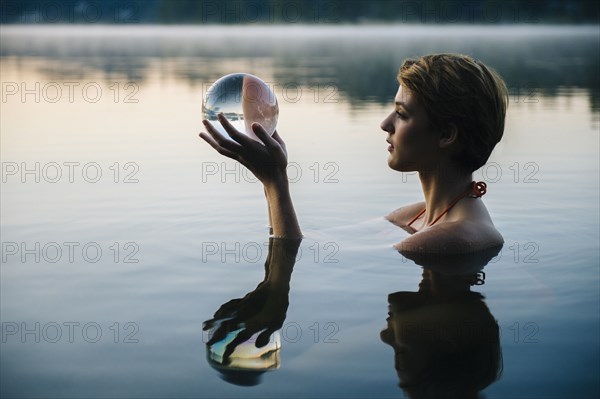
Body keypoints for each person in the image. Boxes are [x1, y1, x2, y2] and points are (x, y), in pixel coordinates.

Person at [199, 53, 508, 252]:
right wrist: (269, 181)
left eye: (402, 115)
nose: (385, 124)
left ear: (446, 135)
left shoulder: (455, 235)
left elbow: (298, 256)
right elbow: (312, 244)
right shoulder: (415, 216)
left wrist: (275, 180)